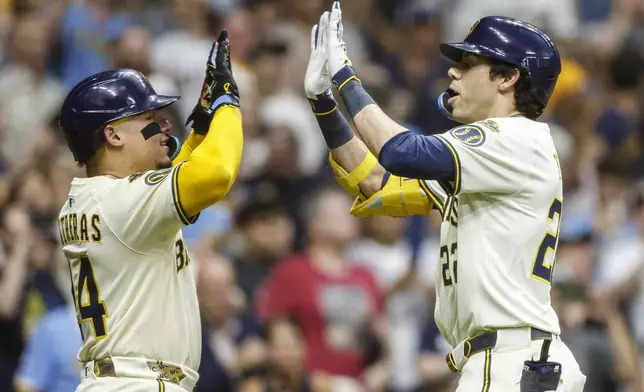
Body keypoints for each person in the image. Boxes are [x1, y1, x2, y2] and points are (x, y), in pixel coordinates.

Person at [304, 3, 586, 391]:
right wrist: (323, 101)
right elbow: (375, 181)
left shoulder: (512, 138)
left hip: (511, 360)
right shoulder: (494, 158)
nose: (454, 71)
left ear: (507, 77)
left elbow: (401, 151)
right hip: (507, 360)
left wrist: (345, 77)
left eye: (470, 63)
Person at [56, 29, 243, 392]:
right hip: (139, 382)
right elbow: (215, 174)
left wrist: (202, 125)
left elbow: (179, 176)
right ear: (113, 135)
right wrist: (226, 104)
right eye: (149, 119)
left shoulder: (99, 197)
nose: (165, 125)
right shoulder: (122, 202)